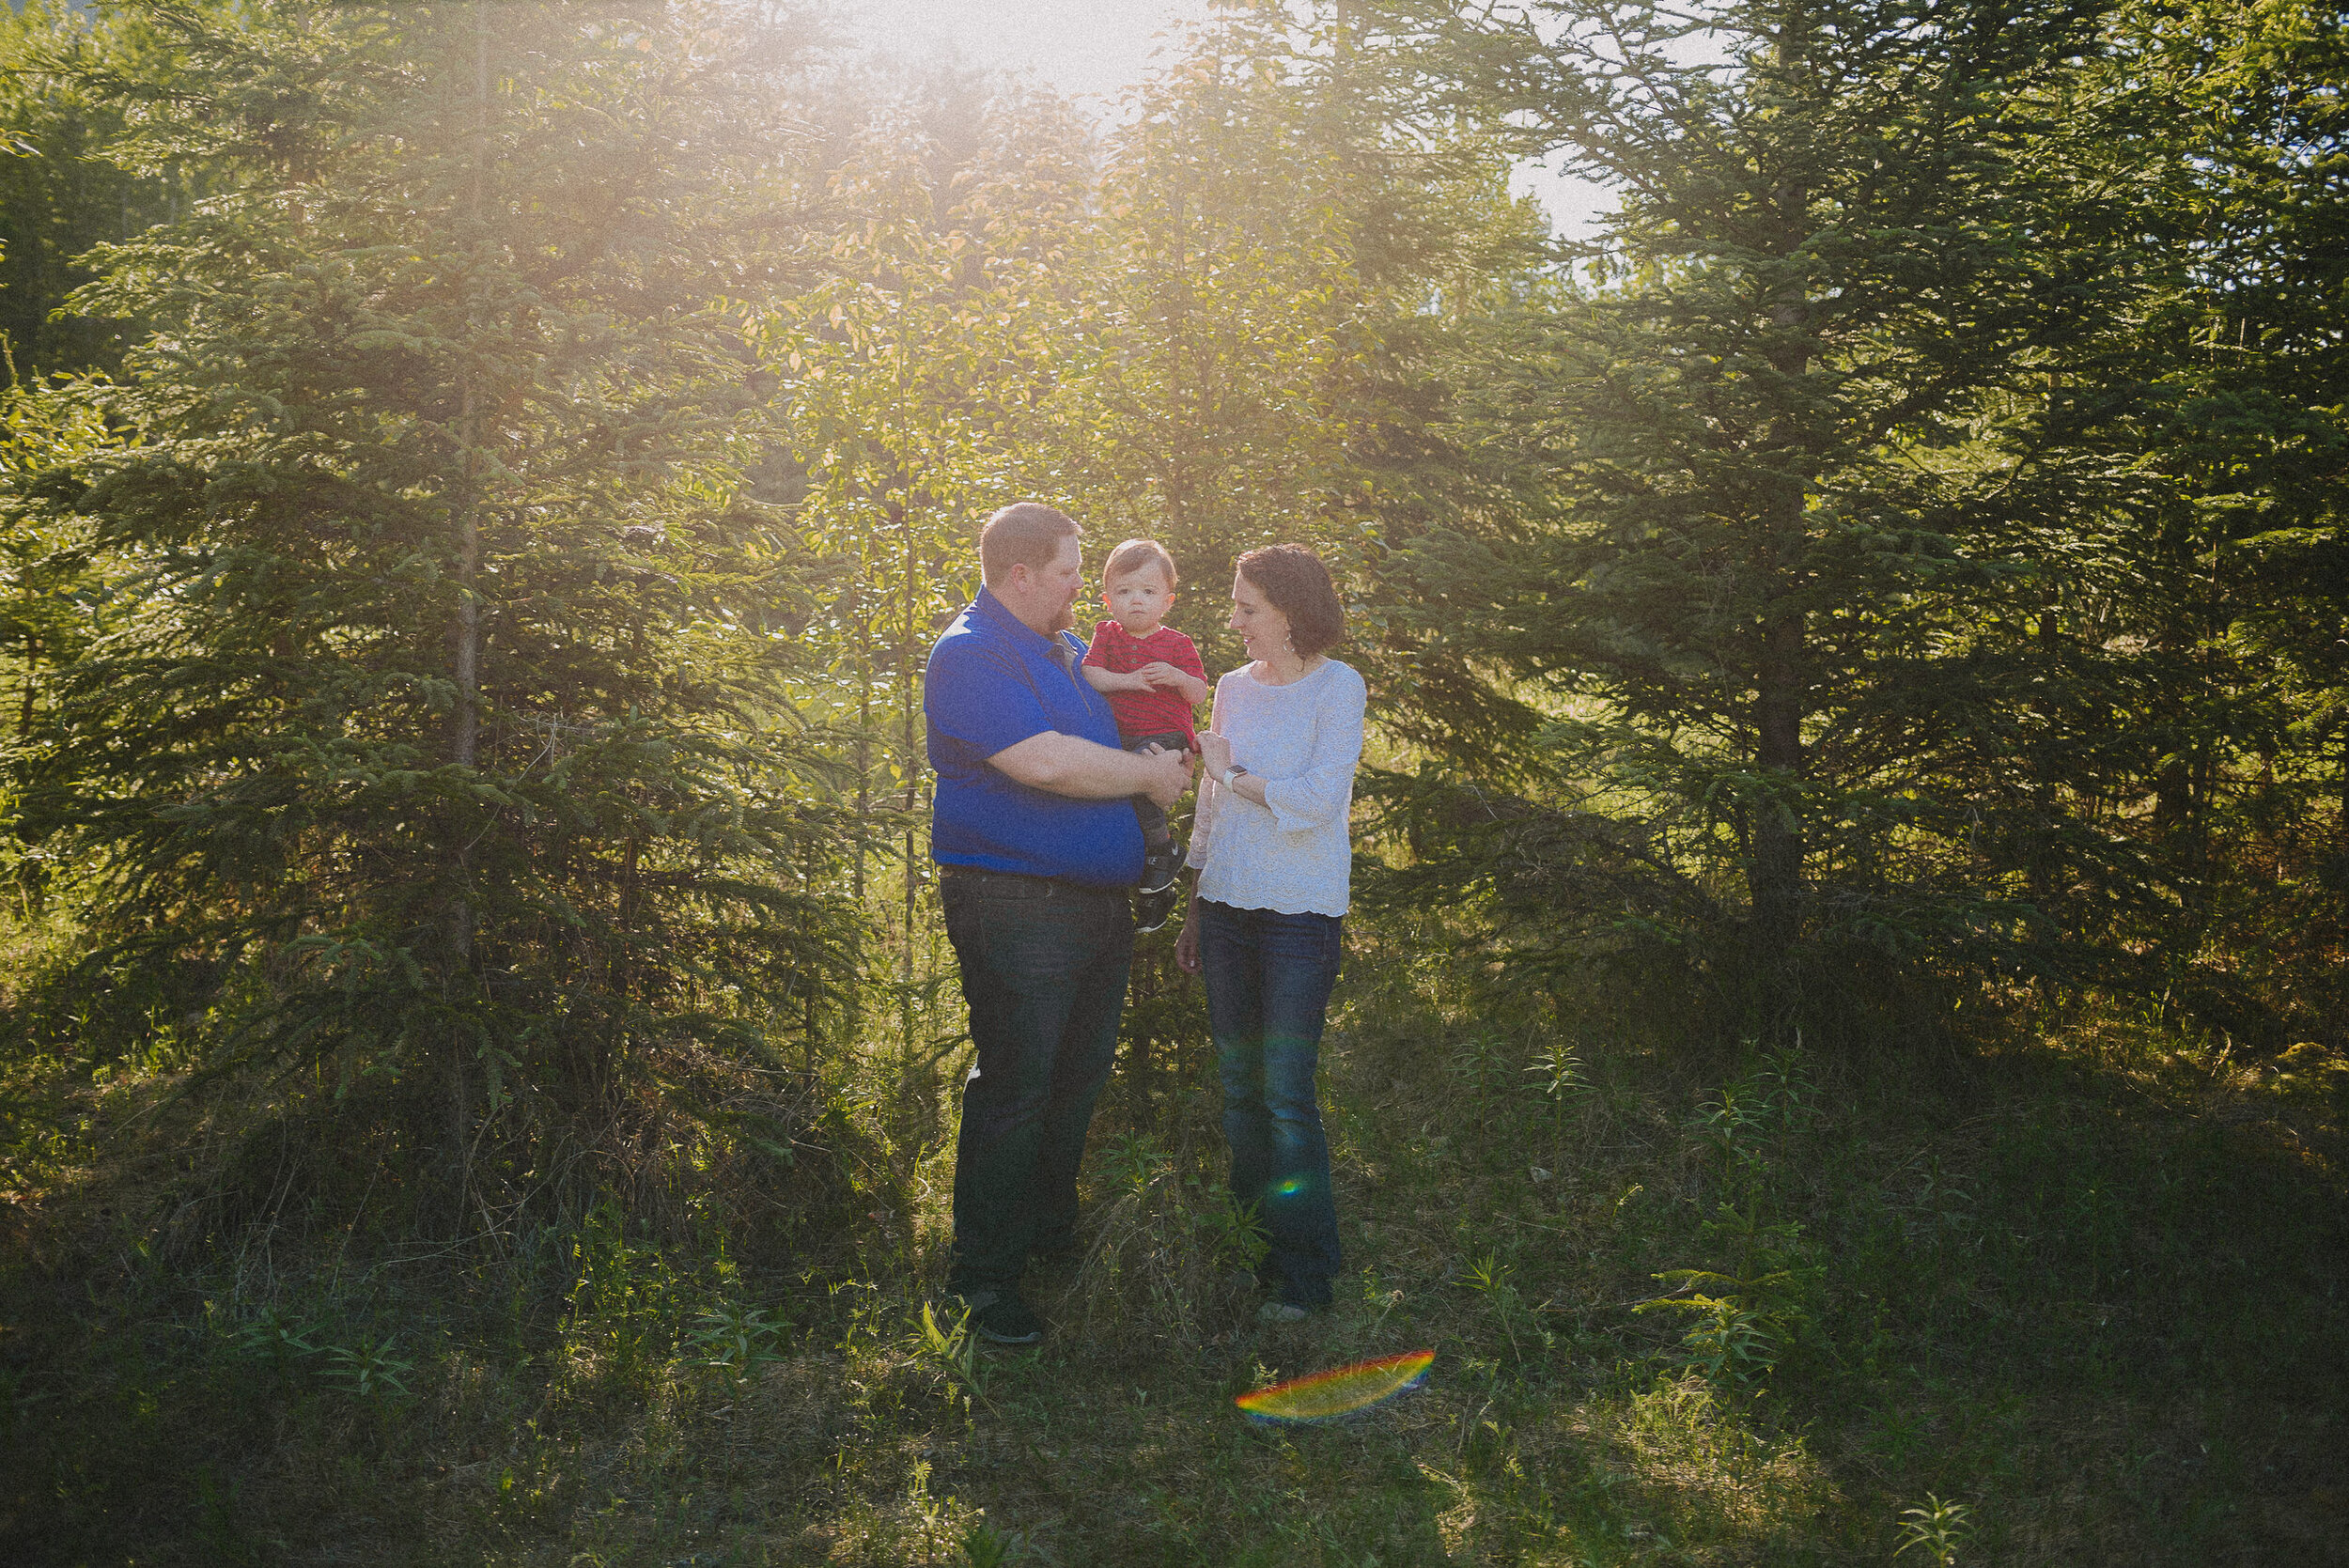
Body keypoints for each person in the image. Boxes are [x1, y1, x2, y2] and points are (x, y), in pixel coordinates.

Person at [924, 502, 1193, 1345]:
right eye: (1075, 570)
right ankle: (983, 1280)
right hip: (1015, 907)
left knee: (1074, 1081)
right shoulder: (969, 655)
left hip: (1092, 909)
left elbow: (1136, 708)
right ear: (1022, 575)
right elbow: (1043, 760)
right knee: (1016, 1084)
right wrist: (1148, 781)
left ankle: (1043, 1234)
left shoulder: (1070, 651)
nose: (1089, 585)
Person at [1174, 544, 1366, 1322]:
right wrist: (1195, 904)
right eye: (1234, 607)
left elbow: (1318, 800)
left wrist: (1229, 775)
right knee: (1239, 1094)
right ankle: (1254, 1250)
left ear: (1289, 610)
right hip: (1226, 911)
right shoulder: (1229, 689)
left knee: (1286, 1097)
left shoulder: (1338, 687)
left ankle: (1305, 1275)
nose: (1235, 622)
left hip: (1299, 917)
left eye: (1247, 608)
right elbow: (1209, 814)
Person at [1080, 537, 1210, 932]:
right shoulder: (1107, 636)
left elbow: (1200, 691)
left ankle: (1162, 849)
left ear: (1168, 601)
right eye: (1125, 591)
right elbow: (1091, 674)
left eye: (1148, 592)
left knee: (1138, 775)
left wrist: (1177, 676)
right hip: (1121, 735)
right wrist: (1129, 681)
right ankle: (1152, 877)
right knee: (1118, 790)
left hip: (1166, 734)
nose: (1136, 600)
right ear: (1107, 600)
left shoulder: (1176, 643)